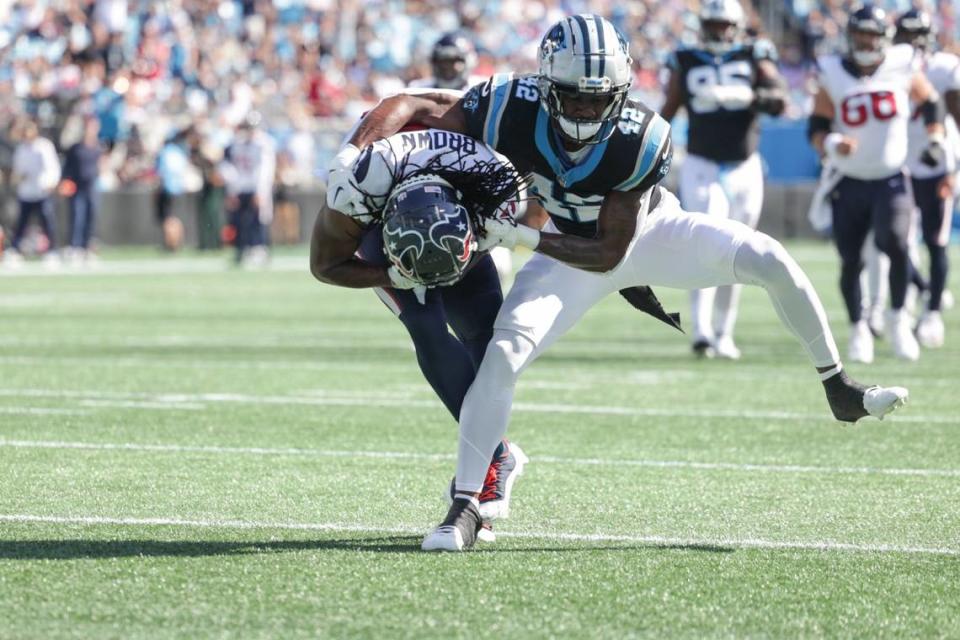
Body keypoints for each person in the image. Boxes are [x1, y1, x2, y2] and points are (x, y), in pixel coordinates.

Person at [339, 13, 911, 551]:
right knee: (501, 354)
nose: (588, 110)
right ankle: (466, 505)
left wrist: (515, 237)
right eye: (576, 96)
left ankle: (838, 383)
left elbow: (610, 252)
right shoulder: (508, 102)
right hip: (562, 246)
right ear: (545, 86)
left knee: (768, 255)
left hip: (645, 237)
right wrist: (355, 154)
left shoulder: (642, 136)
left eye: (600, 97)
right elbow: (410, 102)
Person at [316, 126, 531, 541]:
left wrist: (472, 247)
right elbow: (324, 265)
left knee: (485, 337)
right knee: (426, 328)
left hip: (462, 206)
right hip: (386, 232)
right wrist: (392, 272)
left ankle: (486, 464)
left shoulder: (490, 178)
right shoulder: (357, 188)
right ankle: (494, 456)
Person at [807, 4, 943, 362]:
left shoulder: (901, 64)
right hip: (848, 181)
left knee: (896, 245)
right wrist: (833, 144)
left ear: (884, 38)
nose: (865, 41)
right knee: (850, 260)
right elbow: (817, 128)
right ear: (851, 36)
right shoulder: (833, 71)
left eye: (872, 34)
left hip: (891, 178)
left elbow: (930, 102)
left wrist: (935, 138)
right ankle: (858, 329)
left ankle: (898, 321)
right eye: (860, 34)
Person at [659, 0, 787, 359]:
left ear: (735, 25)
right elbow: (668, 108)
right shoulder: (685, 57)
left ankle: (724, 332)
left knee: (740, 250)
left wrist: (749, 95)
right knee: (704, 245)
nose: (718, 31)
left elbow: (780, 100)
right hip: (701, 162)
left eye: (723, 24)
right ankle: (701, 331)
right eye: (712, 24)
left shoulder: (753, 53)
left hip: (744, 164)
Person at [409, 33, 516, 284]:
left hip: (480, 185)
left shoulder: (486, 89)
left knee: (495, 265)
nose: (449, 67)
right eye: (443, 61)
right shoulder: (418, 89)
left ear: (467, 60)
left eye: (454, 61)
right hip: (431, 182)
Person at [894, 9, 958, 349]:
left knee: (935, 241)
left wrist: (956, 167)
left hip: (937, 163)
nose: (912, 43)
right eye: (906, 35)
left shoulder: (944, 67)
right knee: (893, 239)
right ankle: (922, 288)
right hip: (900, 163)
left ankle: (932, 312)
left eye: (917, 35)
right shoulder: (888, 66)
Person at [220, 112, 275, 266]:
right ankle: (242, 249)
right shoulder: (236, 144)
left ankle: (259, 249)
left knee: (258, 219)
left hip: (257, 187)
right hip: (241, 187)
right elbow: (228, 166)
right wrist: (232, 189)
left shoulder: (264, 144)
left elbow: (265, 169)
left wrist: (260, 191)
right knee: (239, 220)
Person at [7, 119, 61, 266]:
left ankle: (52, 251)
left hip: (42, 191)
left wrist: (51, 183)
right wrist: (18, 177)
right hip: (26, 192)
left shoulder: (44, 146)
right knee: (21, 223)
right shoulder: (21, 149)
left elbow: (53, 167)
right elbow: (18, 171)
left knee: (47, 222)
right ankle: (15, 250)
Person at [61, 116, 103, 263]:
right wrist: (65, 182)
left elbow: (100, 168)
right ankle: (75, 247)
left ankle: (87, 247)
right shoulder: (75, 148)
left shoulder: (98, 147)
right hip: (77, 187)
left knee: (91, 217)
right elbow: (67, 168)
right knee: (77, 216)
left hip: (91, 187)